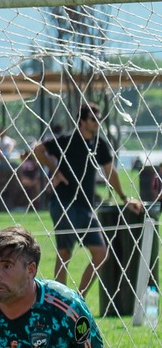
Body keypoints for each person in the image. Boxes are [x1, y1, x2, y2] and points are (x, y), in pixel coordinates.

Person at [32, 103, 135, 299]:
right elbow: (38, 150)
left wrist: (124, 197)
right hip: (63, 203)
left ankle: (78, 298)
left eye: (99, 120)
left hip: (86, 207)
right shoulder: (67, 140)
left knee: (101, 253)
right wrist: (55, 170)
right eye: (93, 120)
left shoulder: (99, 144)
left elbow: (110, 172)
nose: (97, 123)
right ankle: (57, 302)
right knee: (64, 253)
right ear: (82, 121)